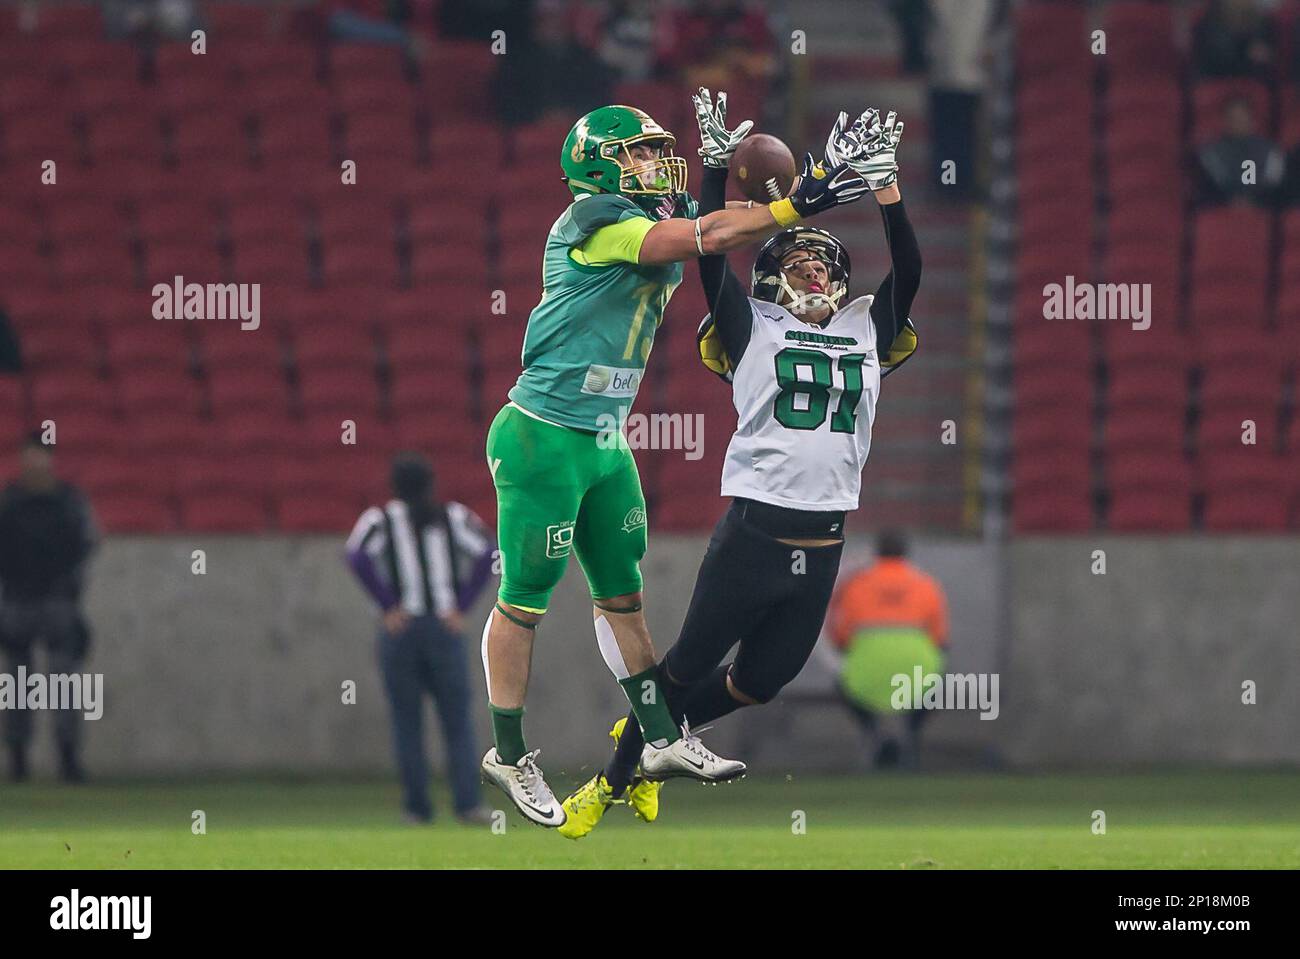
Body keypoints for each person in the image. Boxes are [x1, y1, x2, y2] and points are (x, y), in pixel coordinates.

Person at [479, 94, 873, 827]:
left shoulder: (649, 207)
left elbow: (713, 227)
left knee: (623, 597)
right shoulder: (595, 218)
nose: (655, 161)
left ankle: (660, 735)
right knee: (527, 599)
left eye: (658, 148)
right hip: (544, 430)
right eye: (637, 151)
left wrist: (728, 167)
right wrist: (793, 207)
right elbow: (709, 233)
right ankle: (507, 752)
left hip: (603, 438)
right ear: (598, 164)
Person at [344, 453, 495, 825]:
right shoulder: (452, 516)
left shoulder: (380, 519)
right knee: (456, 721)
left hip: (402, 631)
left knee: (407, 723)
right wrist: (461, 606)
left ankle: (417, 808)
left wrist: (387, 606)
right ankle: (467, 804)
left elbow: (356, 556)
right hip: (443, 630)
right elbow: (489, 552)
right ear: (431, 483)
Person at [0, 431, 99, 783]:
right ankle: (18, 758)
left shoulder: (68, 501)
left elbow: (86, 545)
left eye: (39, 456)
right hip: (17, 600)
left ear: (50, 460)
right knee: (18, 685)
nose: (34, 464)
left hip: (57, 601)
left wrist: (70, 589)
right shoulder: (9, 501)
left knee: (64, 684)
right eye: (28, 456)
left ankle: (69, 757)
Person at [828, 530, 948, 769]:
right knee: (938, 681)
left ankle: (871, 731)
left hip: (865, 673)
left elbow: (841, 636)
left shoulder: (856, 584)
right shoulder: (926, 584)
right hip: (916, 674)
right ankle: (911, 735)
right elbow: (940, 638)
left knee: (843, 682)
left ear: (877, 553)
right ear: (905, 553)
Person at [1195, 94, 1287, 208]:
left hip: (1263, 209)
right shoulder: (1210, 152)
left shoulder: (1271, 151)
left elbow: (1273, 183)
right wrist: (1233, 200)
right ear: (1225, 121)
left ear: (1252, 120)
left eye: (1242, 117)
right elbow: (1213, 184)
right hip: (1222, 209)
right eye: (1233, 118)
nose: (1238, 122)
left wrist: (1252, 201)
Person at [1192, 0, 1276, 79]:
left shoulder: (1261, 22)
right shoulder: (1212, 20)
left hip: (1252, 79)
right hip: (1217, 78)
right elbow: (1215, 60)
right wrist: (1246, 55)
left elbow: (1266, 54)